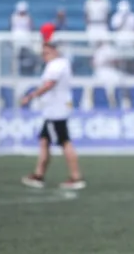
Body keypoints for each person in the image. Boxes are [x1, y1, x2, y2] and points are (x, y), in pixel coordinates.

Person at [19, 43, 86, 190]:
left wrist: (30, 96)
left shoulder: (56, 65)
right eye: (43, 53)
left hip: (56, 110)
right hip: (56, 108)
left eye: (47, 53)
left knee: (64, 141)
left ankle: (76, 177)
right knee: (44, 140)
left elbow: (49, 84)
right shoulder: (62, 63)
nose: (44, 56)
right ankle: (39, 175)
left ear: (55, 51)